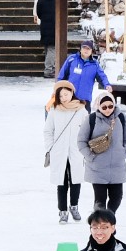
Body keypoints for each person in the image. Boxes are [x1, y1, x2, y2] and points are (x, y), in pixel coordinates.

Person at [45, 81, 89, 223]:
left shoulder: (81, 110)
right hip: (59, 151)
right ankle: (62, 211)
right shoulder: (54, 109)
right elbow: (48, 130)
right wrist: (50, 148)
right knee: (62, 182)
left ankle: (74, 206)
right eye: (61, 95)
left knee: (76, 180)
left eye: (66, 94)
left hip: (76, 151)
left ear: (72, 93)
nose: (64, 97)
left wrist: (84, 147)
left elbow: (87, 131)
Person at [82, 91, 126, 214]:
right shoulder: (91, 119)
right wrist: (90, 156)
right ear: (98, 106)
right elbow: (81, 141)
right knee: (100, 201)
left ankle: (108, 220)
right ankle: (100, 225)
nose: (108, 109)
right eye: (104, 107)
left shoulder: (121, 118)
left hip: (117, 166)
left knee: (117, 198)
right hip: (97, 167)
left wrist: (125, 152)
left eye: (111, 106)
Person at [57, 37, 109, 105]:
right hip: (69, 97)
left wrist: (107, 85)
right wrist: (58, 88)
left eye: (88, 49)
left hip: (85, 99)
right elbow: (62, 75)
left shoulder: (95, 64)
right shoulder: (71, 59)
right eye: (84, 48)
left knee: (85, 115)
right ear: (80, 49)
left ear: (91, 51)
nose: (86, 50)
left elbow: (102, 76)